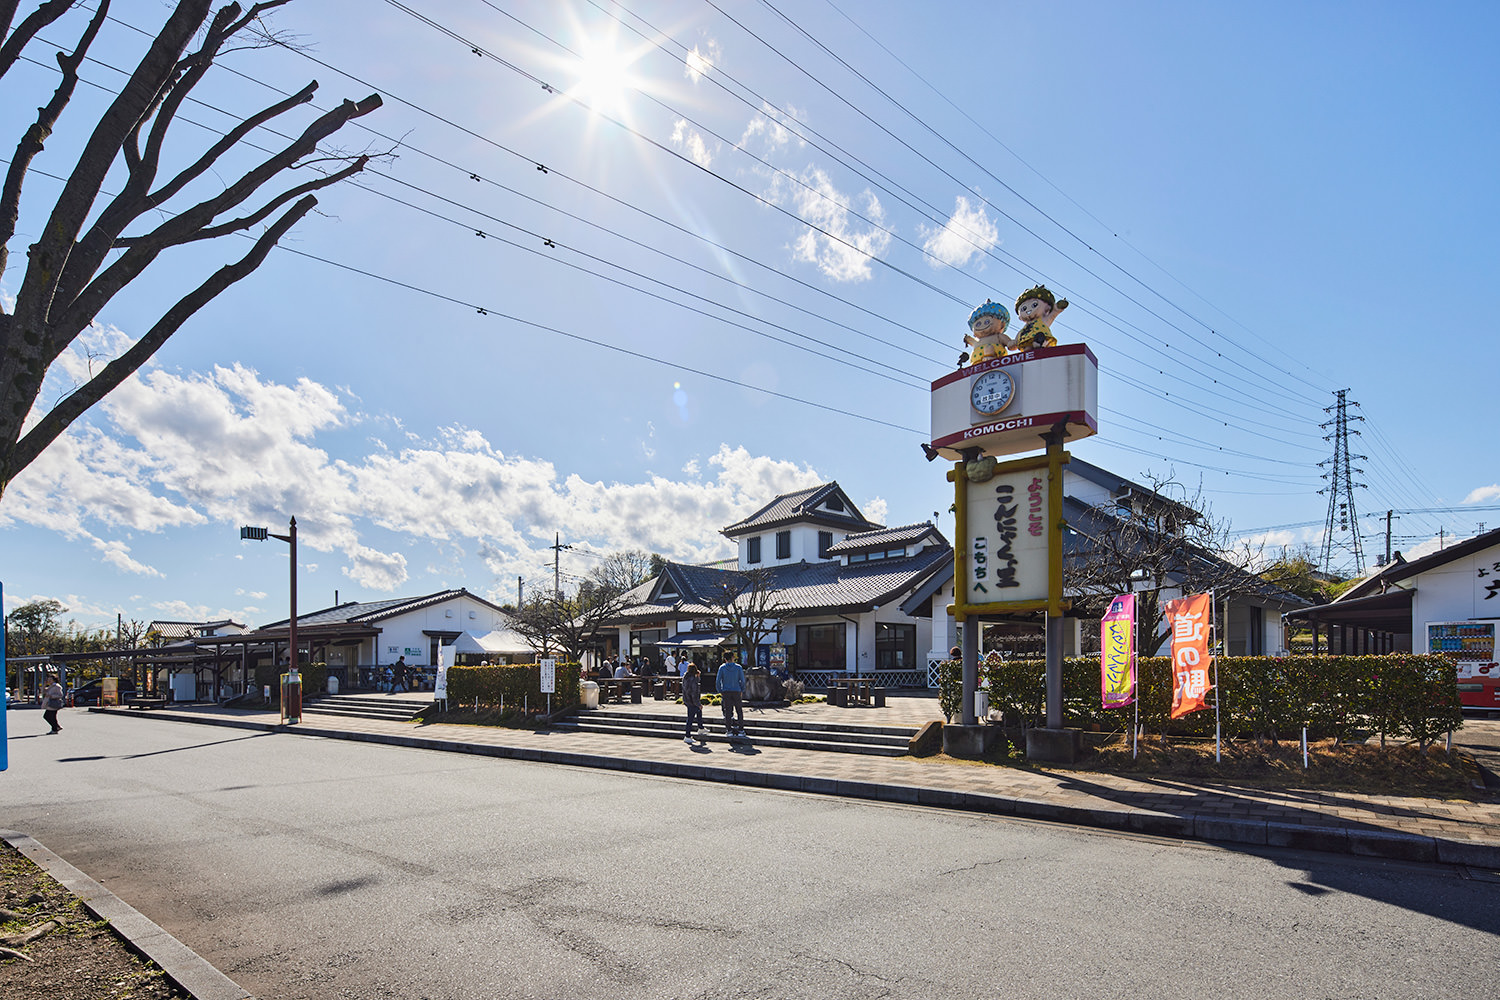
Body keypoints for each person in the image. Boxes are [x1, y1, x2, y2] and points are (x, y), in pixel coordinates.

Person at [716, 652, 746, 738]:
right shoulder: (738, 667)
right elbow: (742, 680)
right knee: (739, 711)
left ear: (725, 659)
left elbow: (718, 681)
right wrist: (742, 689)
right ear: (733, 657)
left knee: (728, 712)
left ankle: (729, 730)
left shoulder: (722, 668)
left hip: (726, 691)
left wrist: (720, 690)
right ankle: (741, 730)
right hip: (736, 690)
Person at [682, 662, 704, 745]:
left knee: (698, 712)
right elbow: (694, 692)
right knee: (690, 718)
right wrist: (698, 703)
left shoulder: (685, 677)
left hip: (687, 699)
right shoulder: (693, 679)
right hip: (692, 701)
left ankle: (701, 727)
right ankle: (687, 736)